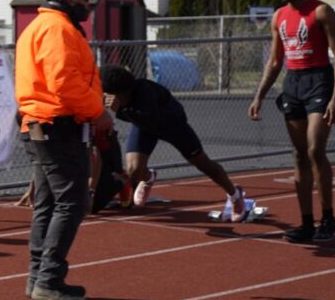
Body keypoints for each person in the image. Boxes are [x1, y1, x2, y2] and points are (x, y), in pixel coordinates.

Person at [14, 0, 113, 300]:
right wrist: (98, 112)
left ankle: (38, 277)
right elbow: (64, 82)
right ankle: (49, 280)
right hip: (57, 124)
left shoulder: (38, 27)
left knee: (48, 202)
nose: (87, 5)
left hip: (39, 123)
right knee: (72, 202)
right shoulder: (58, 29)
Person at [249, 0, 335, 242]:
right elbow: (274, 61)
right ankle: (306, 223)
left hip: (319, 81)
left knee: (315, 150)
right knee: (299, 154)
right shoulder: (279, 16)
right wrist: (259, 96)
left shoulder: (321, 11)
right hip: (293, 84)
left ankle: (327, 216)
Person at [100, 65, 246, 218]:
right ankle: (148, 177)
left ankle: (235, 195)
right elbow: (141, 122)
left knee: (204, 164)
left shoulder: (145, 92)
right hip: (142, 124)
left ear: (118, 94)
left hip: (172, 126)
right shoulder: (123, 97)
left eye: (106, 92)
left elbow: (152, 121)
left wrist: (120, 110)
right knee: (134, 170)